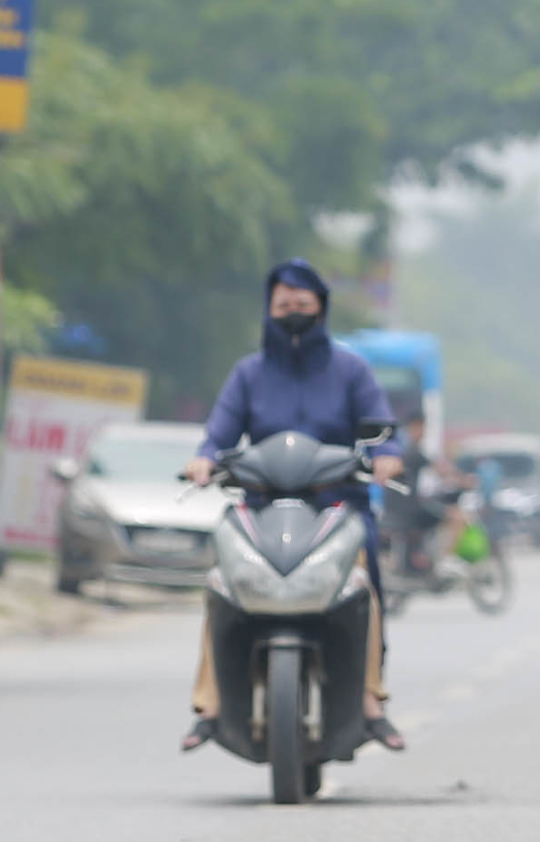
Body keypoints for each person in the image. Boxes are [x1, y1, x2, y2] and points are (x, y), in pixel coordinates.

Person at [180, 259, 409, 754]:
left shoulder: (351, 370)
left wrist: (387, 456)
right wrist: (203, 460)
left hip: (336, 508)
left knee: (364, 581)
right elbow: (219, 433)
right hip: (262, 506)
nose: (293, 313)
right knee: (222, 582)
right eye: (283, 304)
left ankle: (371, 701)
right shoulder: (249, 373)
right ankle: (211, 703)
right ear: (269, 309)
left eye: (303, 304)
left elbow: (380, 426)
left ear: (321, 308)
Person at [384, 410, 471, 575]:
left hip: (398, 507)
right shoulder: (414, 452)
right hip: (411, 509)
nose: (423, 431)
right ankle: (447, 559)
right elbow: (442, 470)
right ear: (412, 428)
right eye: (421, 427)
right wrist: (464, 480)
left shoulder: (402, 450)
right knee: (456, 517)